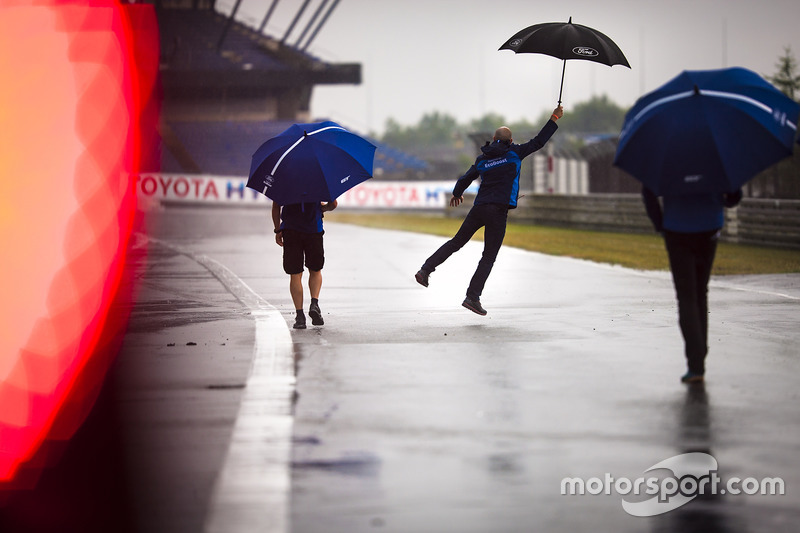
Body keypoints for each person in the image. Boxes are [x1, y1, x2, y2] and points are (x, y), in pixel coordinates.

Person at [415, 105, 564, 315]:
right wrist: (553, 119)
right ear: (510, 141)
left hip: (479, 207)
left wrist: (457, 193)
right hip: (498, 211)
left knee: (456, 242)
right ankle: (472, 297)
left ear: (494, 139)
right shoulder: (515, 153)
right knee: (488, 256)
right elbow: (539, 142)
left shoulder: (482, 158)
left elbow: (466, 178)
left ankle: (425, 270)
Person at [642, 186, 743, 383]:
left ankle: (696, 363)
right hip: (709, 226)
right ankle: (699, 355)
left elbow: (648, 192)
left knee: (686, 297)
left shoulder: (666, 157)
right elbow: (733, 197)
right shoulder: (715, 156)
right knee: (700, 293)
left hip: (677, 228)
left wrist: (660, 224)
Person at [272, 200, 337, 329]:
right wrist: (323, 208)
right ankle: (314, 303)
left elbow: (276, 206)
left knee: (295, 274)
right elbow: (333, 204)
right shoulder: (319, 180)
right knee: (315, 270)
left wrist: (277, 230)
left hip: (291, 230)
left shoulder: (284, 180)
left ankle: (300, 316)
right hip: (313, 228)